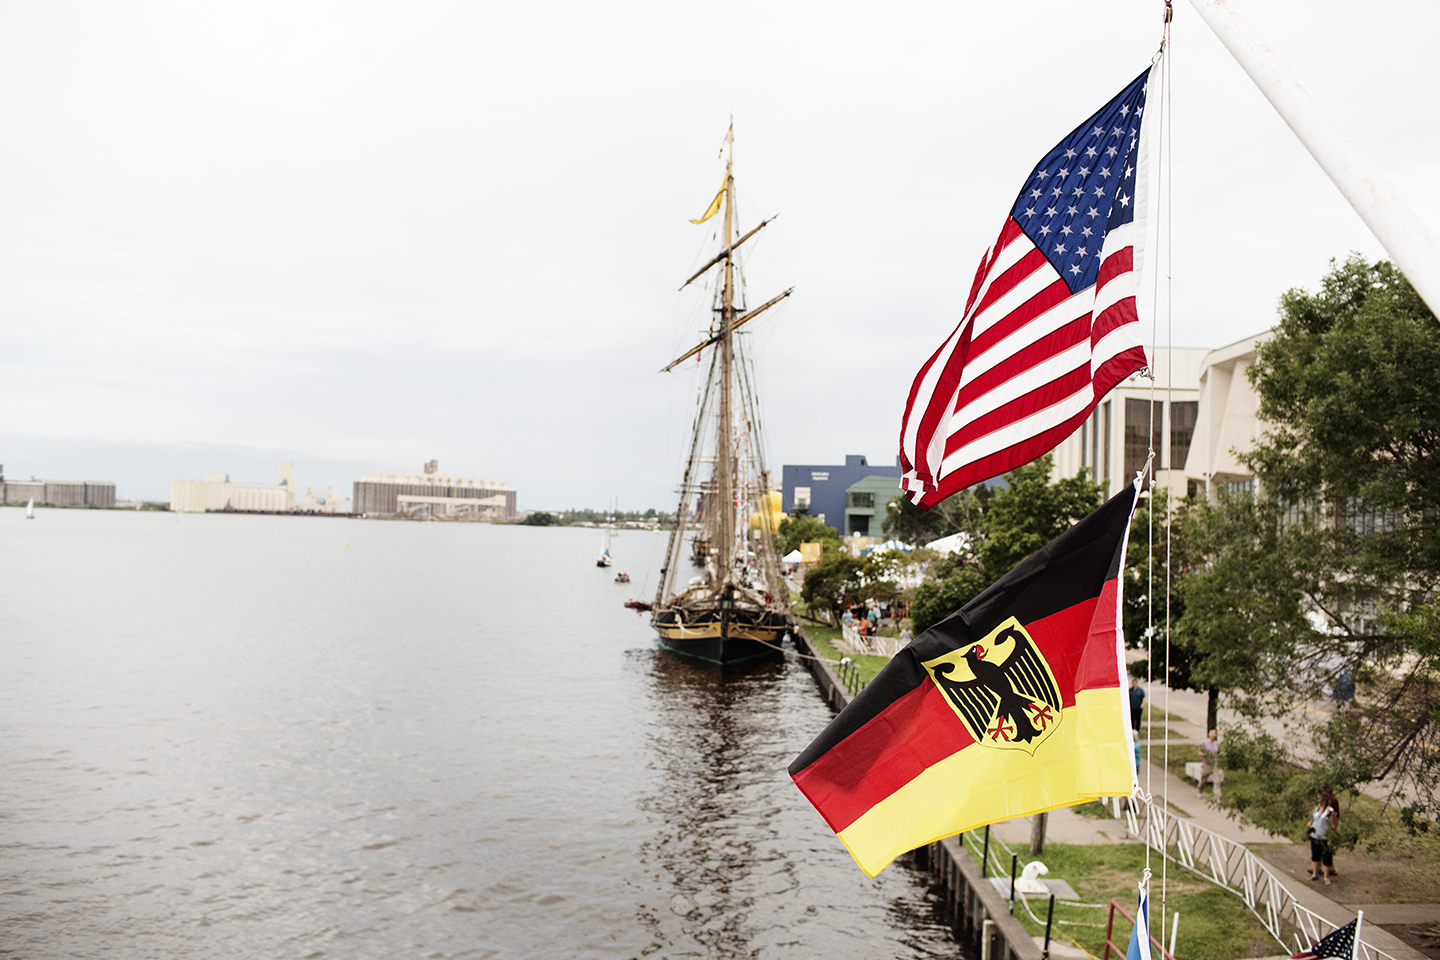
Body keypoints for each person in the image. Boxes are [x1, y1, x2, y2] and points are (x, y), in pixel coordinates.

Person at [1307, 791, 1339, 885]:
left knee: (1326, 857)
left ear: (1325, 801)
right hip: (1315, 836)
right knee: (1315, 856)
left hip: (1324, 837)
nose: (1319, 802)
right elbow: (1313, 819)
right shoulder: (1316, 809)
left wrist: (1331, 838)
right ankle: (1315, 873)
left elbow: (1334, 825)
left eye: (1320, 800)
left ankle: (1326, 877)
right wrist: (1310, 824)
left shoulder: (1330, 811)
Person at [1197, 729, 1221, 798]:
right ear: (1209, 734)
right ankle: (1200, 791)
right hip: (1206, 763)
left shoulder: (1217, 744)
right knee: (1204, 779)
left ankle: (1217, 796)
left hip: (1214, 764)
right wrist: (1204, 754)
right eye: (1212, 733)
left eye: (1215, 734)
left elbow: (1220, 753)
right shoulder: (1204, 743)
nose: (1213, 735)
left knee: (1217, 780)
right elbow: (1199, 751)